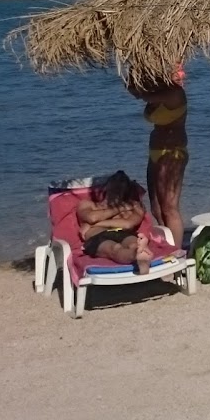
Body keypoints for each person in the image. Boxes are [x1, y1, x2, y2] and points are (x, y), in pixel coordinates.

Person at [128, 74, 188, 247]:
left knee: (169, 208)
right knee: (156, 208)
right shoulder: (157, 91)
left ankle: (176, 253)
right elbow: (133, 88)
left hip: (172, 152)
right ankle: (166, 247)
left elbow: (139, 94)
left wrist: (139, 85)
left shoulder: (175, 93)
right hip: (155, 151)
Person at [75, 171, 156, 273]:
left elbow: (128, 224)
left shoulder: (134, 205)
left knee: (134, 244)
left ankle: (139, 254)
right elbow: (92, 218)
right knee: (114, 248)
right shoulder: (88, 204)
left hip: (122, 232)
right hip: (97, 235)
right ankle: (137, 255)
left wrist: (93, 225)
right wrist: (119, 208)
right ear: (105, 188)